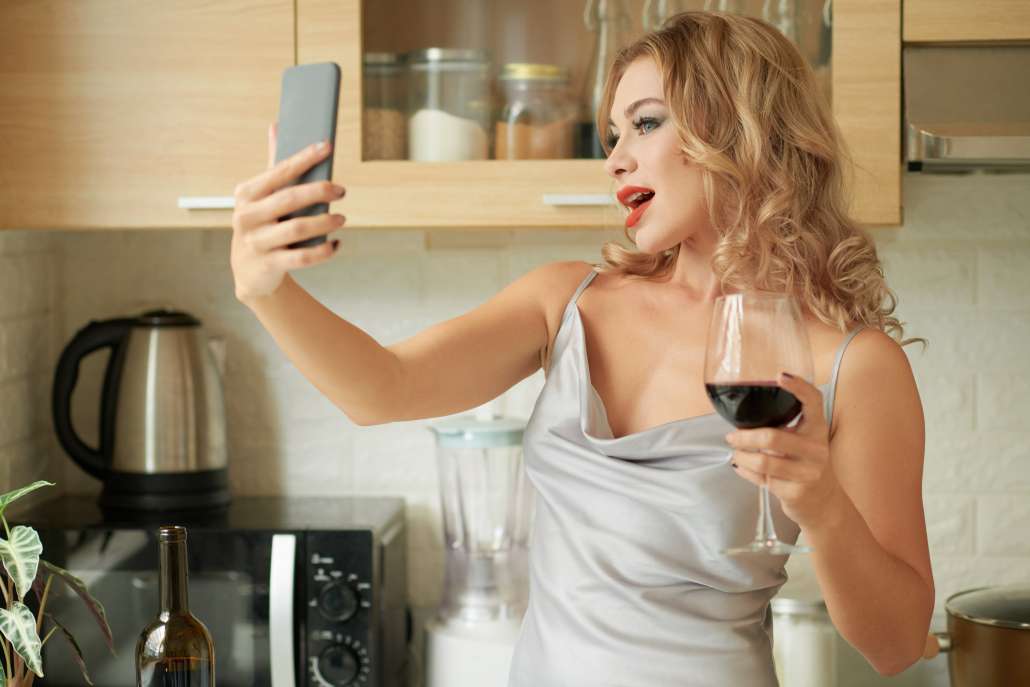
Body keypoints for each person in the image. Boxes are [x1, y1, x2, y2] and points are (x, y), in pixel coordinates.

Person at [230, 11, 933, 686]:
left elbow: (899, 644)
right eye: (611, 136)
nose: (615, 159)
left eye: (647, 123)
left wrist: (824, 506)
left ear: (740, 129)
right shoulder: (565, 302)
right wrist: (266, 291)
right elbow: (380, 389)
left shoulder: (853, 365)